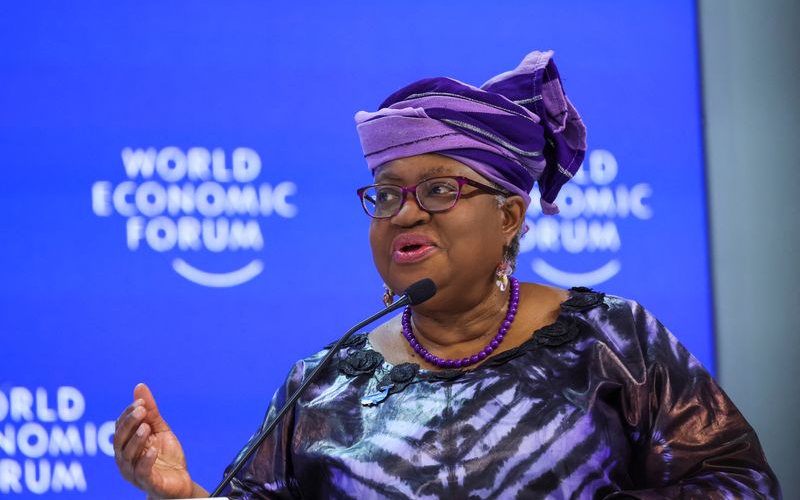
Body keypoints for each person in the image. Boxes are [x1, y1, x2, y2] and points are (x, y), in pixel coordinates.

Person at [114, 50, 781, 499]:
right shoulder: (322, 383)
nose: (405, 214)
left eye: (437, 190)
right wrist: (185, 493)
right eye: (386, 193)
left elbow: (739, 481)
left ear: (511, 215)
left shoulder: (614, 342)